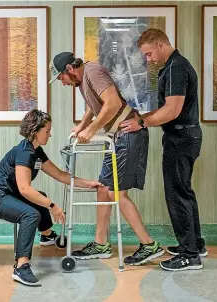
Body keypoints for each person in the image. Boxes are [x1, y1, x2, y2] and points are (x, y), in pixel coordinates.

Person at [49, 52, 164, 266]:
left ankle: (149, 245)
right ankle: (100, 244)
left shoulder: (92, 71)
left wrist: (91, 130)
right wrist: (82, 126)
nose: (62, 83)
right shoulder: (84, 80)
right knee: (103, 188)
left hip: (129, 135)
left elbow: (111, 104)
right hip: (117, 138)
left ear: (69, 70)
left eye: (60, 78)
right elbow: (95, 107)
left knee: (116, 193)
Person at [0, 109, 102, 286]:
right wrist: (53, 206)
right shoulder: (24, 153)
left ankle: (46, 235)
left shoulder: (37, 151)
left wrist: (89, 183)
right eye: (47, 131)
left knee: (40, 197)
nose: (50, 135)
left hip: (8, 193)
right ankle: (21, 266)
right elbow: (25, 189)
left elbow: (60, 175)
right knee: (31, 214)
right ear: (35, 131)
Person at [121, 28, 206, 271]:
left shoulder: (177, 67)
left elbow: (172, 110)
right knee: (184, 192)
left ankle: (190, 256)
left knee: (176, 195)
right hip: (183, 136)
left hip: (181, 138)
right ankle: (195, 244)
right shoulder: (172, 66)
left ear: (160, 45)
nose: (148, 60)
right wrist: (143, 117)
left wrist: (141, 122)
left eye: (148, 54)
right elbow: (167, 110)